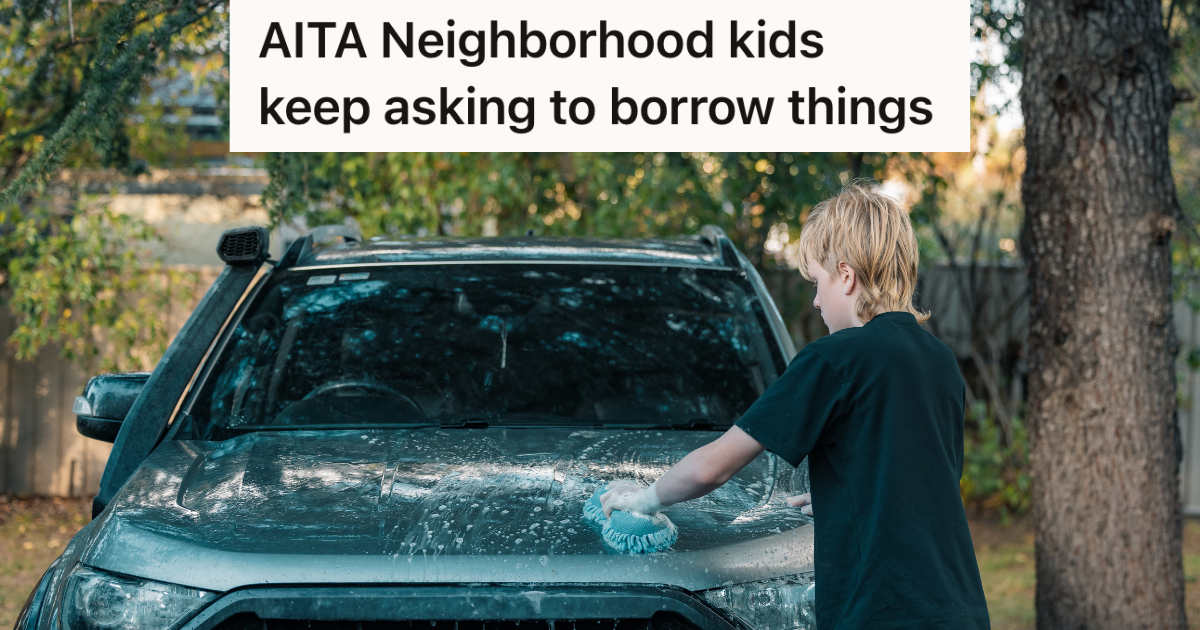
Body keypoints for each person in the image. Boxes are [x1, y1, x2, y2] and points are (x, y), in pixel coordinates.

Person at [601, 182, 991, 630]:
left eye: (817, 282)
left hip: (881, 612)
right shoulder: (938, 360)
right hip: (960, 608)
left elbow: (714, 467)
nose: (816, 300)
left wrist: (645, 498)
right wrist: (845, 499)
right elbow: (925, 483)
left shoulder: (835, 358)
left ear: (845, 275)